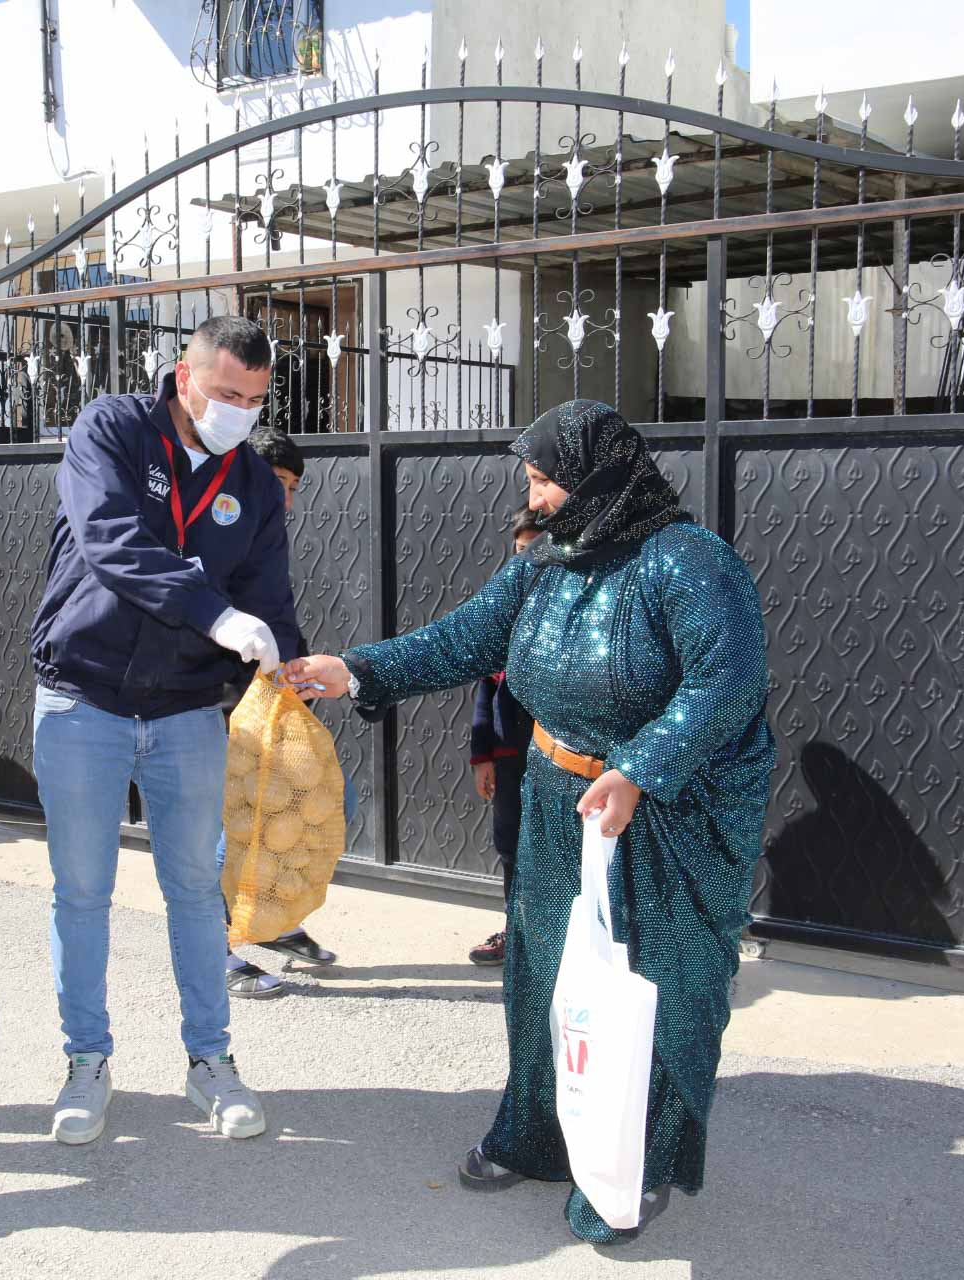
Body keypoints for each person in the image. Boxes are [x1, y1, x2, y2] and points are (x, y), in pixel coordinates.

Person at [285, 400, 773, 1245]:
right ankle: (537, 1134)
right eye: (534, 481)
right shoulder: (548, 561)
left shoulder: (689, 563)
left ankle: (635, 1167)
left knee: (663, 990)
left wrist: (638, 770)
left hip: (669, 814)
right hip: (557, 795)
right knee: (545, 974)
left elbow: (725, 687)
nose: (535, 497)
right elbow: (466, 638)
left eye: (546, 481)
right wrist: (355, 669)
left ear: (599, 481)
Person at [30, 315, 303, 1146]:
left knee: (194, 892)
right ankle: (86, 1064)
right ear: (184, 378)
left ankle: (210, 1064)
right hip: (83, 697)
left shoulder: (252, 482)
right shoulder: (111, 429)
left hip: (187, 709)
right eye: (226, 394)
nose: (239, 412)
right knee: (82, 893)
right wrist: (217, 616)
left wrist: (285, 672)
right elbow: (112, 542)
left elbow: (271, 594)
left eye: (254, 400)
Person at [218, 425, 339, 1000]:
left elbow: (275, 612)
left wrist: (295, 670)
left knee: (299, 804)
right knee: (227, 828)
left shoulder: (263, 532)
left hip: (269, 698)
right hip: (221, 703)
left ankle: (274, 919)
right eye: (279, 482)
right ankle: (215, 947)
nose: (286, 498)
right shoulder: (218, 528)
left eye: (294, 486)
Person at [466, 506, 544, 966]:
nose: (526, 560)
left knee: (563, 852)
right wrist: (483, 756)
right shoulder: (504, 605)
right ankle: (516, 934)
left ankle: (557, 945)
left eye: (535, 550)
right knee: (511, 847)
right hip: (512, 752)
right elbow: (485, 681)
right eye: (519, 551)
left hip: (566, 758)